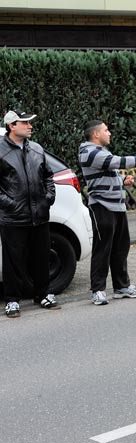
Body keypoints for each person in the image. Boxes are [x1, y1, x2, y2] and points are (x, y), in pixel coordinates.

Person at [79, 120, 136, 305]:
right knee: (102, 249)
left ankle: (121, 287)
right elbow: (116, 162)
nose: (109, 133)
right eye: (106, 130)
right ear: (95, 134)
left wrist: (120, 181)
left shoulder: (101, 152)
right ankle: (98, 290)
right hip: (102, 206)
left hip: (117, 206)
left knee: (120, 248)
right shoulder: (89, 151)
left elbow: (105, 173)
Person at [0, 110, 57, 317]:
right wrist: (10, 204)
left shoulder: (36, 148)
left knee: (41, 257)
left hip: (39, 215)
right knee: (13, 261)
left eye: (30, 123)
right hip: (13, 218)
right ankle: (12, 300)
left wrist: (48, 198)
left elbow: (48, 176)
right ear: (12, 126)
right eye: (25, 123)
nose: (30, 126)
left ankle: (43, 294)